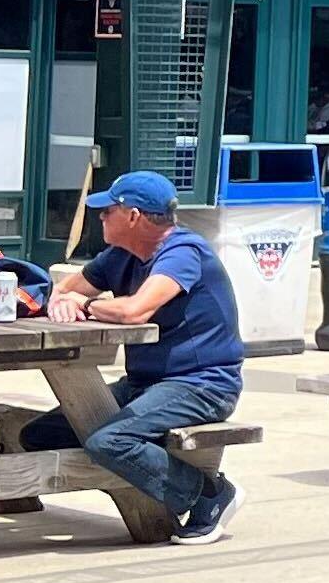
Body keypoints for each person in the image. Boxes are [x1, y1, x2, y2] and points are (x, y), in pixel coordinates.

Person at [22, 173, 245, 544]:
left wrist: (88, 305)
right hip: (145, 383)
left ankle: (209, 495)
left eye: (108, 210)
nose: (101, 217)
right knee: (39, 434)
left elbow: (134, 312)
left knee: (108, 443)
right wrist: (62, 299)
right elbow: (62, 289)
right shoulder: (121, 255)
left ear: (134, 216)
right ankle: (148, 467)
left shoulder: (184, 253)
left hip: (202, 384)